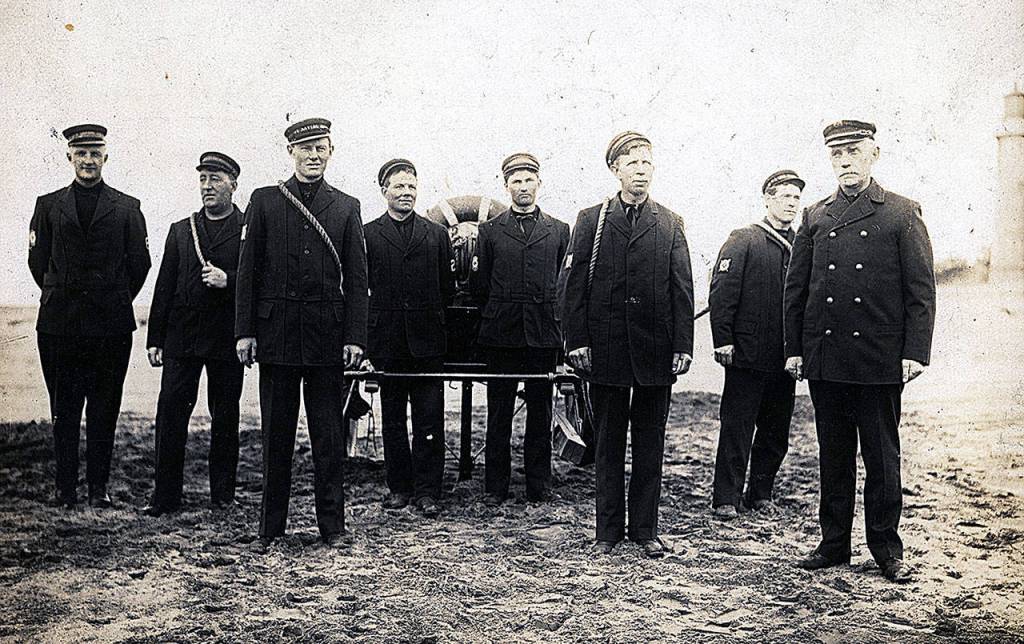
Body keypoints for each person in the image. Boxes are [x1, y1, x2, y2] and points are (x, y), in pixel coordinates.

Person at [784, 120, 935, 583]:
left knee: (882, 458)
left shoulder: (901, 212)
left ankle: (886, 549)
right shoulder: (815, 215)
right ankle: (833, 544)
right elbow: (796, 290)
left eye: (853, 152)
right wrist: (794, 350)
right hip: (826, 358)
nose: (845, 162)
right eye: (837, 154)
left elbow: (921, 291)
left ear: (874, 154)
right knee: (833, 456)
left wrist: (915, 352)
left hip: (878, 359)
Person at [235, 118, 368, 547]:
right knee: (276, 438)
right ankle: (270, 529)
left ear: (331, 151)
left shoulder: (347, 207)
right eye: (305, 147)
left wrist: (355, 337)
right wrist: (245, 332)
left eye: (320, 147)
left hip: (327, 340)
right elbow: (247, 273)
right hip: (277, 338)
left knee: (328, 437)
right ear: (291, 152)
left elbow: (357, 278)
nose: (313, 155)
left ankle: (333, 527)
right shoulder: (265, 201)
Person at [561, 132, 694, 557]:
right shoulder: (591, 220)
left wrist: (683, 345)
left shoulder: (670, 222)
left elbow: (682, 289)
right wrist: (577, 341)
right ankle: (607, 532)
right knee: (608, 443)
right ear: (615, 169)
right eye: (632, 163)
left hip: (656, 351)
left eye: (647, 163)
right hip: (607, 350)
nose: (641, 170)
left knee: (651, 444)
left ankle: (645, 531)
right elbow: (572, 287)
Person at [28, 124, 151, 509]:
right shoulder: (48, 206)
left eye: (95, 153)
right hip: (59, 326)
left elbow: (140, 264)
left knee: (104, 408)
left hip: (110, 327)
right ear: (69, 157)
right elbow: (37, 262)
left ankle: (99, 489)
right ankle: (65, 489)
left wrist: (113, 299)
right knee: (63, 410)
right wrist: (64, 296)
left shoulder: (127, 207)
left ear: (105, 157)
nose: (88, 160)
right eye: (80, 153)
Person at [143, 152, 245, 516]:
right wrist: (155, 338)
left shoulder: (249, 229)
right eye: (202, 179)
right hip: (182, 338)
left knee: (226, 417)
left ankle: (223, 496)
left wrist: (228, 280)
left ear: (233, 184)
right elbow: (164, 285)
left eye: (215, 179)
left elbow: (260, 280)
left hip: (227, 339)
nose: (207, 186)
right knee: (171, 415)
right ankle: (165, 497)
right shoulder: (181, 229)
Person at [470, 153, 570, 505]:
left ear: (539, 183)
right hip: (502, 335)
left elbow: (563, 283)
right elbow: (479, 286)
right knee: (499, 414)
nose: (523, 187)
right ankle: (495, 487)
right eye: (516, 181)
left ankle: (538, 486)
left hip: (542, 335)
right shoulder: (490, 231)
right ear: (506, 185)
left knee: (541, 413)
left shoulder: (559, 230)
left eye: (529, 180)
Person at [709, 170, 804, 519]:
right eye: (784, 196)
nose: (791, 203)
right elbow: (722, 293)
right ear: (767, 199)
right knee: (737, 427)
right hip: (747, 354)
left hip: (785, 358)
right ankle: (726, 498)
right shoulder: (745, 239)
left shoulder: (802, 244)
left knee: (776, 431)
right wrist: (723, 339)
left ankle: (761, 493)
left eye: (796, 197)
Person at [363, 158, 454, 517]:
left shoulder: (436, 234)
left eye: (411, 187)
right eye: (399, 186)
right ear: (384, 190)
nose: (406, 193)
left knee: (429, 419)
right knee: (393, 419)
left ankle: (428, 491)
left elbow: (446, 289)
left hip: (427, 343)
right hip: (387, 343)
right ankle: (399, 487)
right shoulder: (368, 234)